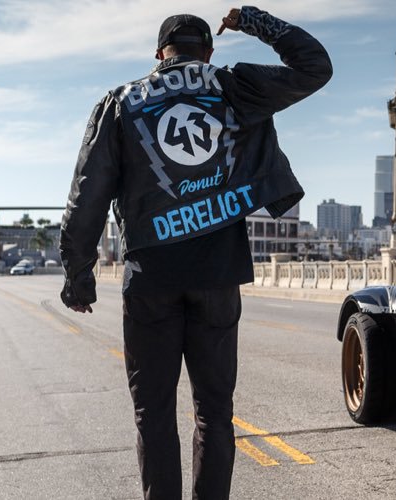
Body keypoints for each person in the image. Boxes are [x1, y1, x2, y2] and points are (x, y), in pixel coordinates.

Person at [57, 6, 330, 499]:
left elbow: (88, 192)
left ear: (159, 55)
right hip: (217, 274)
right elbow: (316, 66)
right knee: (214, 414)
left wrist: (79, 274)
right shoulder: (233, 85)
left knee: (154, 415)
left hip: (150, 279)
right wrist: (253, 20)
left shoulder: (122, 103)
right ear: (206, 52)